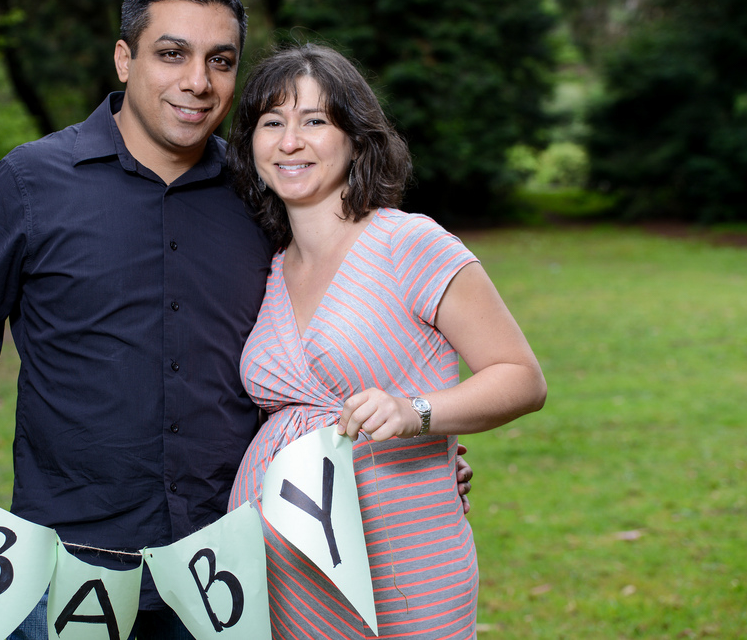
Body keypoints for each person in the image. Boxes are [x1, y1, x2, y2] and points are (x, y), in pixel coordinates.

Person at [0, 0, 472, 640]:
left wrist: (419, 451)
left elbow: (318, 347)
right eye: (172, 53)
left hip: (231, 557)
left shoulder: (264, 194)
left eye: (220, 60)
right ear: (124, 58)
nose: (198, 80)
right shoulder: (32, 181)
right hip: (66, 556)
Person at [226, 43, 546, 639]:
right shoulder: (267, 269)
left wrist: (416, 412)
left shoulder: (408, 243)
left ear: (356, 136)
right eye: (272, 122)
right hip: (285, 571)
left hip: (402, 554)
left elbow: (522, 377)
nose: (289, 141)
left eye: (314, 121)